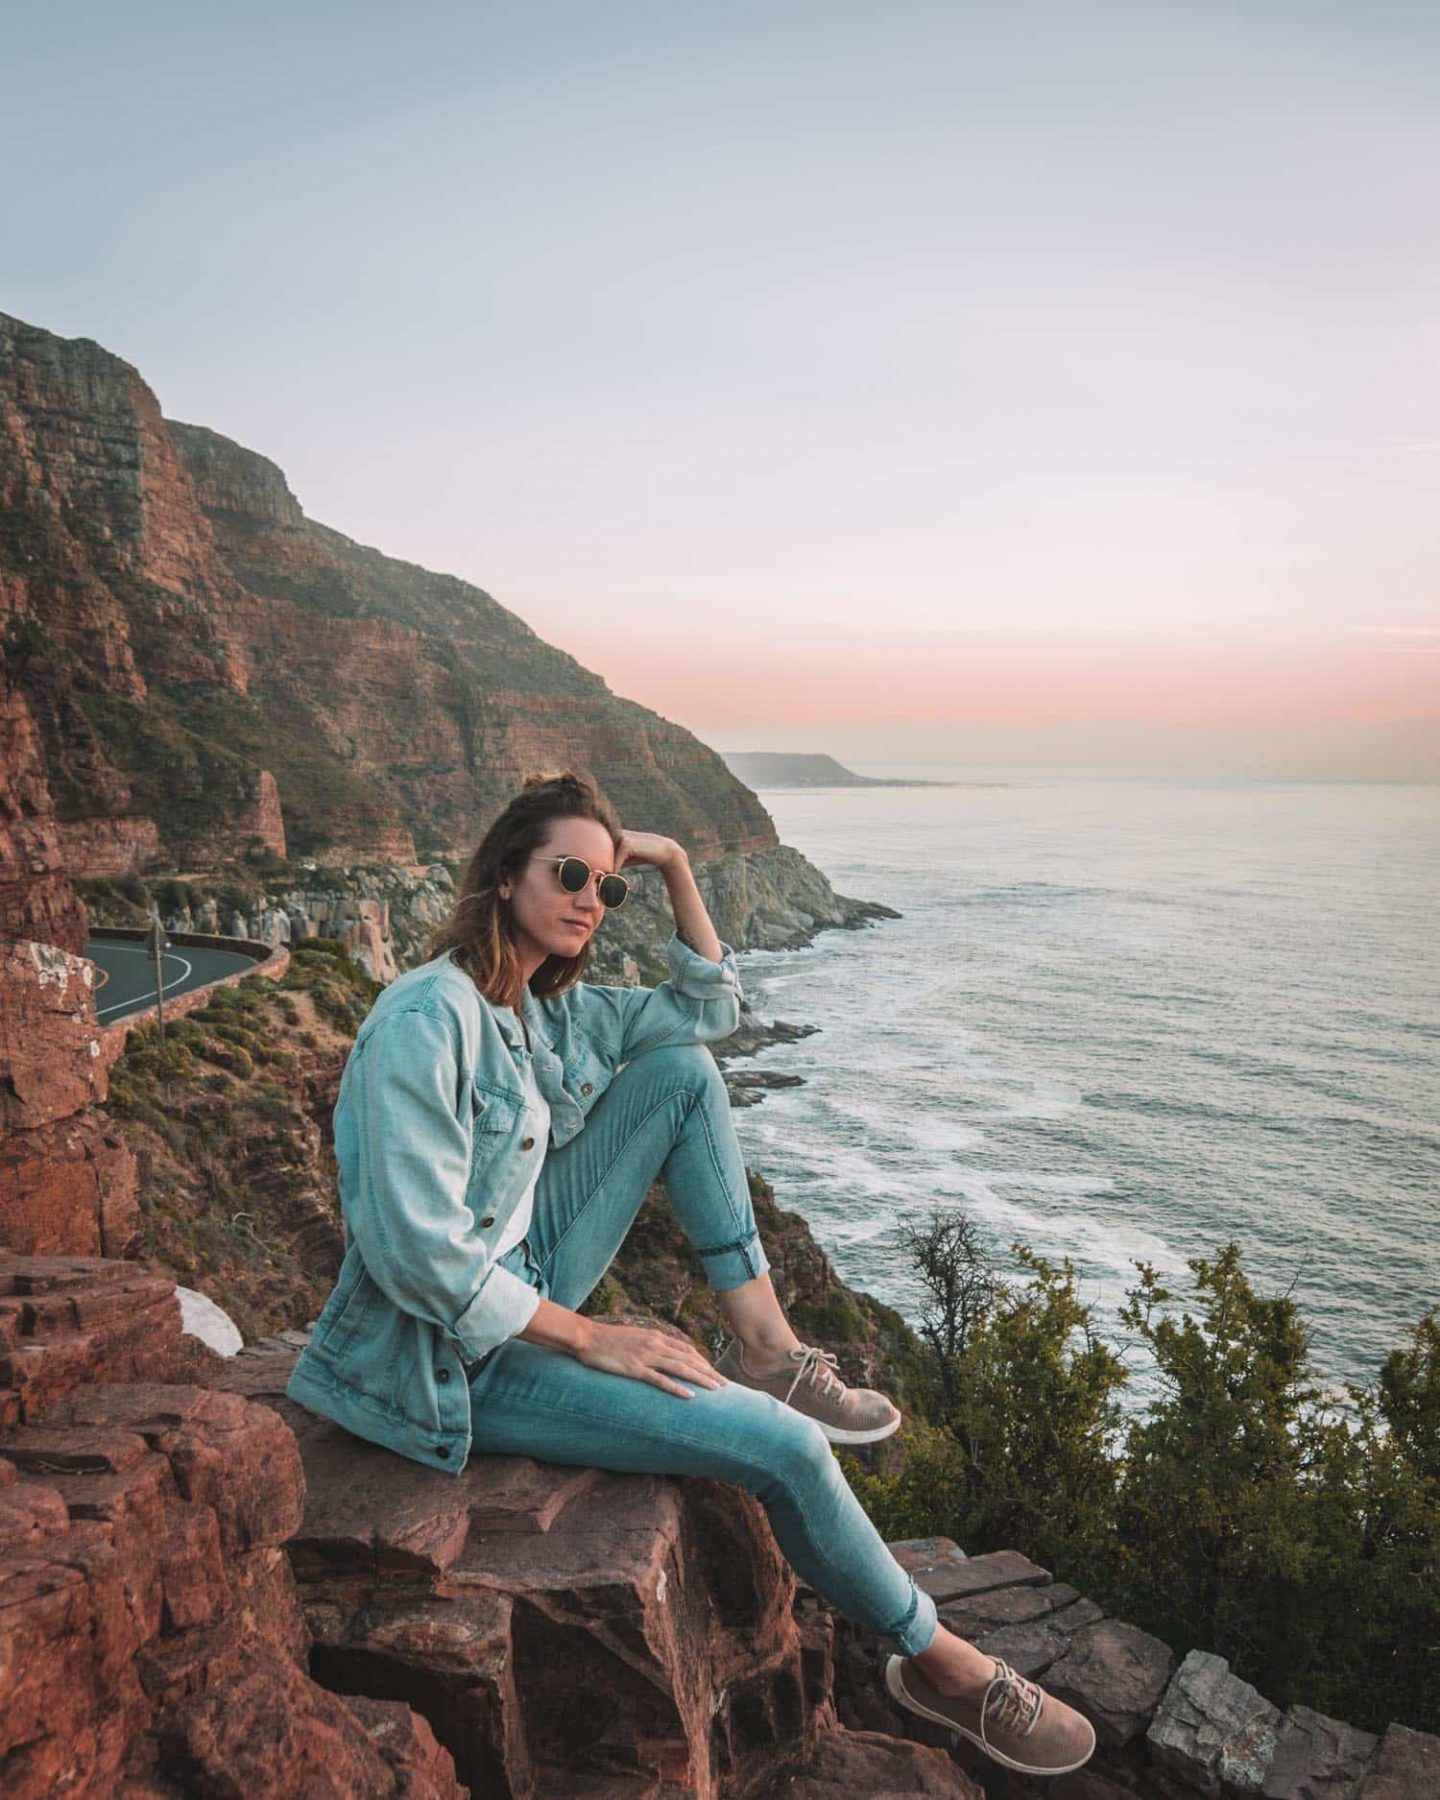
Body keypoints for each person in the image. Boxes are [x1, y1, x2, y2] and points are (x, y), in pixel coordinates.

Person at [285, 769, 1096, 1778]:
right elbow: (416, 1251)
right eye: (571, 873)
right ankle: (943, 1663)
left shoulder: (542, 1011)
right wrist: (592, 1338)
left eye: (606, 884)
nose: (591, 898)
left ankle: (766, 1346)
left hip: (523, 1272)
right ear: (502, 876)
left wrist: (669, 865)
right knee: (791, 1452)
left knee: (681, 1074)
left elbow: (707, 1014)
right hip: (447, 1357)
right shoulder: (426, 1020)